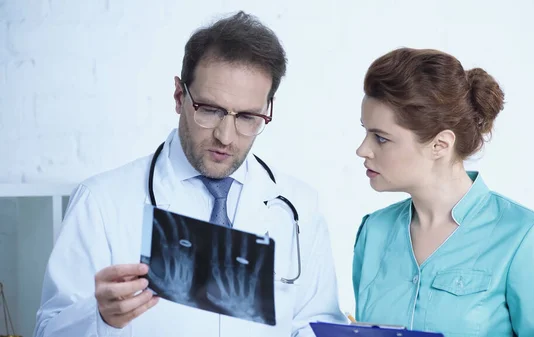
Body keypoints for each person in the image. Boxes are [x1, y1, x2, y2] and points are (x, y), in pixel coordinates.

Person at [33, 11, 346, 337]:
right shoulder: (102, 202)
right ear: (180, 96)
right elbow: (47, 329)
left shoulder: (298, 207)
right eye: (210, 110)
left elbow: (314, 326)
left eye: (248, 117)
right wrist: (98, 317)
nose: (226, 136)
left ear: (269, 110)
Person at [352, 47, 534, 336]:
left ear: (440, 144)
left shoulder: (521, 235)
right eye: (365, 132)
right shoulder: (373, 232)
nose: (363, 150)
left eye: (381, 138)